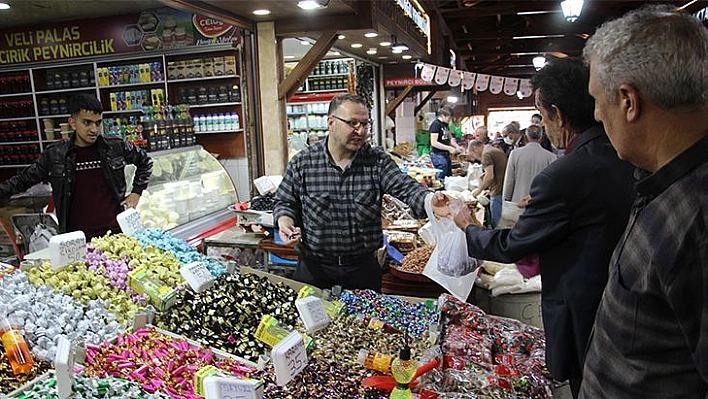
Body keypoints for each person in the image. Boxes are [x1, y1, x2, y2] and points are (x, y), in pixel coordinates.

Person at [447, 57, 635, 397]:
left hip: (584, 307)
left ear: (558, 115)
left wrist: (469, 228)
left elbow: (513, 244)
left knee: (587, 384)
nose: (546, 125)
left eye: (543, 114)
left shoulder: (564, 174)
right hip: (624, 305)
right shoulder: (622, 153)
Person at [580, 6, 708, 397]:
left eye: (598, 101)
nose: (598, 115)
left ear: (629, 101)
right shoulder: (662, 182)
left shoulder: (698, 218)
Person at [274, 94, 447, 291]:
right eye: (353, 123)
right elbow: (286, 202)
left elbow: (405, 186)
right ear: (331, 122)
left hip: (362, 271)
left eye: (365, 124)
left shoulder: (376, 162)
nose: (361, 131)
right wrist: (285, 222)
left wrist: (430, 200)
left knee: (367, 322)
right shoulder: (303, 163)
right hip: (314, 269)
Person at [0, 93, 153, 239]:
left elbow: (145, 162)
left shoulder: (116, 146)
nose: (94, 129)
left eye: (98, 123)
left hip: (116, 233)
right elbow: (23, 179)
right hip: (76, 239)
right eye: (87, 122)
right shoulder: (55, 155)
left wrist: (136, 192)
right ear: (72, 123)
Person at [502, 124, 557, 203]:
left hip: (518, 202)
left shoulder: (515, 154)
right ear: (541, 138)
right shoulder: (551, 157)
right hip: (541, 203)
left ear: (526, 137)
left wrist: (506, 199)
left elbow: (509, 181)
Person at [466, 140, 506, 228]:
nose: (475, 158)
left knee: (498, 224)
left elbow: (490, 176)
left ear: (475, 149)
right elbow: (497, 170)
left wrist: (479, 190)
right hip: (503, 188)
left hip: (498, 191)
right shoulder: (493, 150)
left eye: (472, 154)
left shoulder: (486, 154)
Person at [429, 106, 463, 181]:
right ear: (442, 115)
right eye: (448, 118)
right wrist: (449, 148)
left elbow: (450, 138)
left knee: (448, 176)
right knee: (440, 177)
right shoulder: (436, 124)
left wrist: (456, 146)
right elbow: (434, 142)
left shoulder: (445, 125)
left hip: (445, 154)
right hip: (438, 155)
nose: (450, 120)